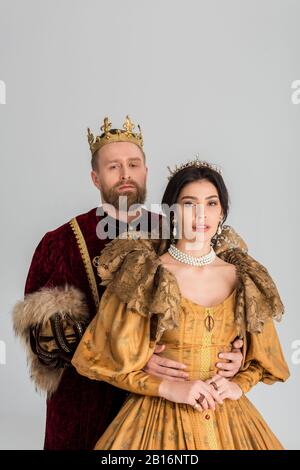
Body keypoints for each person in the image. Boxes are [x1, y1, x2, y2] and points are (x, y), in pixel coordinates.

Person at [12, 118, 244, 450]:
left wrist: (236, 353)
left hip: (166, 407)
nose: (125, 174)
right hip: (86, 405)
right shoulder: (59, 243)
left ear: (146, 171)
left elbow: (221, 302)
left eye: (133, 164)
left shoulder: (181, 230)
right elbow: (46, 342)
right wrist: (133, 356)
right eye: (113, 166)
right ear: (95, 177)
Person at [72, 158, 290, 450]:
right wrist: (166, 386)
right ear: (171, 213)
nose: (202, 214)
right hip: (157, 419)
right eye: (190, 203)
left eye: (212, 203)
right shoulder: (144, 275)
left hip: (229, 420)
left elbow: (264, 358)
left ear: (222, 211)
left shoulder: (243, 277)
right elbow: (98, 356)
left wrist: (239, 382)